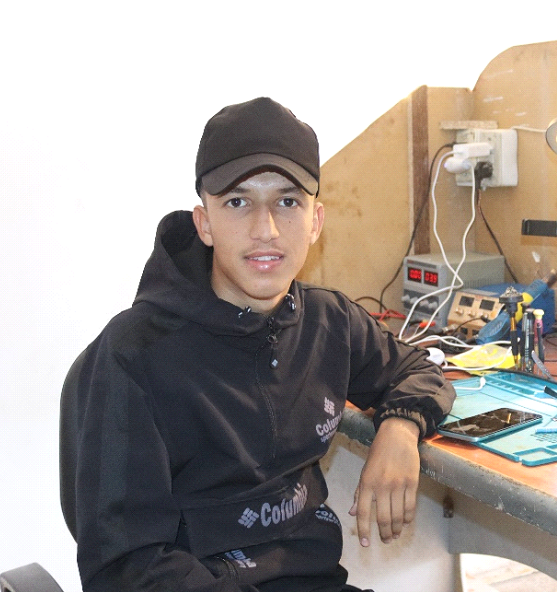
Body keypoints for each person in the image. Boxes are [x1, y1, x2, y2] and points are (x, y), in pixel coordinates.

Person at [60, 97, 456, 592]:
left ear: (316, 222)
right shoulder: (133, 355)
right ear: (204, 223)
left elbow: (417, 369)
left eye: (287, 202)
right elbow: (126, 569)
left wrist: (400, 428)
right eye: (238, 202)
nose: (265, 230)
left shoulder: (328, 322)